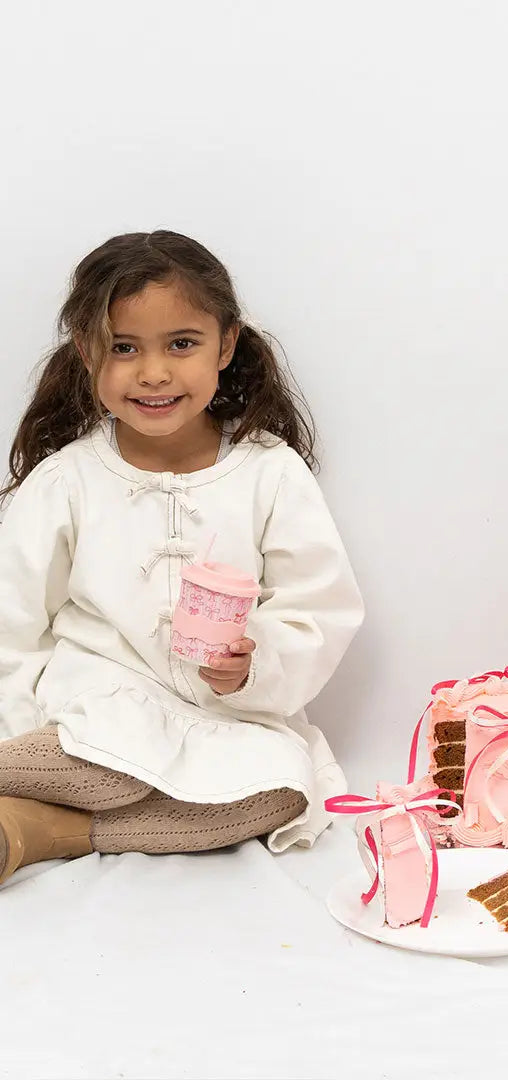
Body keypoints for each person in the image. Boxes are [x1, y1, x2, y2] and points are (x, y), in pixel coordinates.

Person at [0, 230, 363, 882]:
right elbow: (13, 621)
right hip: (92, 707)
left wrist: (254, 666)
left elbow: (318, 606)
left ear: (226, 344)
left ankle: (48, 829)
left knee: (281, 789)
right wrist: (19, 733)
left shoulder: (270, 473)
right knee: (106, 748)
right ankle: (33, 781)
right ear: (86, 351)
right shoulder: (66, 481)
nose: (154, 372)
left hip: (223, 716)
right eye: (124, 347)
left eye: (182, 344)